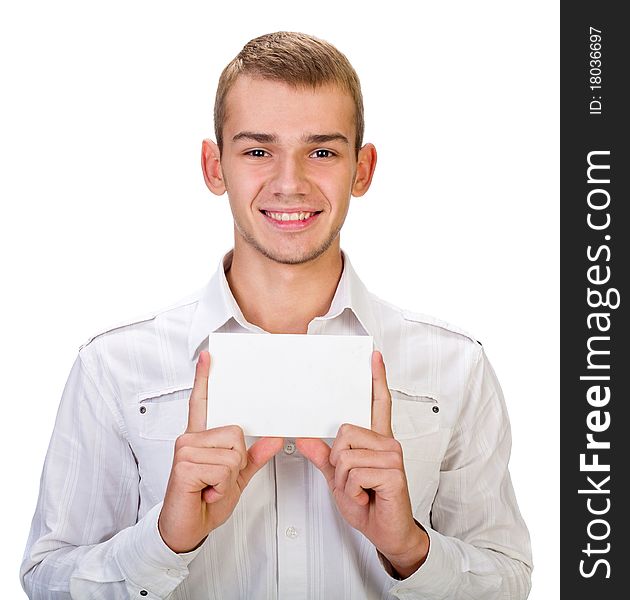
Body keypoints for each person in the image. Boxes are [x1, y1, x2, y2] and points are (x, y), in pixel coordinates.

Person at [21, 32, 532, 599]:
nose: (290, 184)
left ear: (362, 170)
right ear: (214, 167)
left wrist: (410, 547)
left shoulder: (454, 367)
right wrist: (164, 543)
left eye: (322, 151)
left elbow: (508, 581)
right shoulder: (113, 368)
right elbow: (45, 582)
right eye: (258, 151)